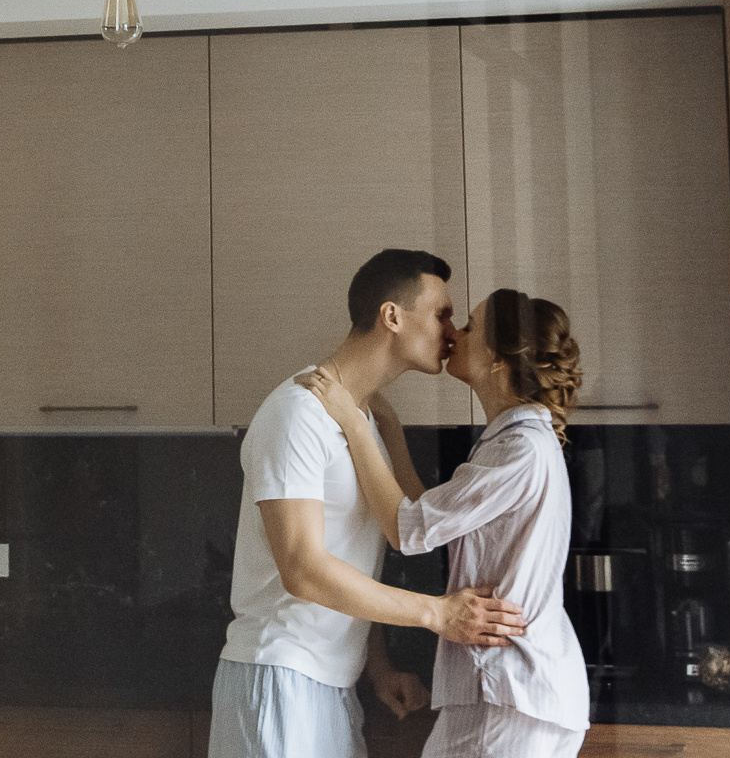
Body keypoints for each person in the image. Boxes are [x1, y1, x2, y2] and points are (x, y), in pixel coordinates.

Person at [213, 249, 529, 758]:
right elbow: (303, 570)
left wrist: (376, 668)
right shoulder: (298, 414)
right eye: (442, 314)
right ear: (392, 317)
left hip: (333, 682)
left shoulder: (363, 421)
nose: (452, 333)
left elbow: (363, 550)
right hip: (278, 677)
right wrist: (437, 614)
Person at [303, 288, 588, 758]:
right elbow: (428, 515)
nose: (454, 332)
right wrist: (389, 431)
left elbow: (406, 529)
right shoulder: (516, 439)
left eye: (471, 326)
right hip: (512, 696)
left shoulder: (519, 450)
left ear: (499, 359)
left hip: (507, 695)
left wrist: (352, 423)